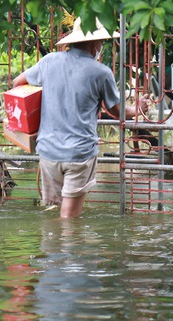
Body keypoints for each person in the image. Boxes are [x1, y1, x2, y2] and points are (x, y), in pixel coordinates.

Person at [13, 17, 149, 219]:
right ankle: (71, 249)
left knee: (52, 213)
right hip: (79, 153)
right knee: (68, 218)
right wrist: (137, 108)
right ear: (95, 44)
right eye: (101, 42)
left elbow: (17, 83)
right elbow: (116, 111)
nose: (101, 46)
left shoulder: (49, 61)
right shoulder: (101, 72)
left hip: (48, 151)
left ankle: (50, 249)